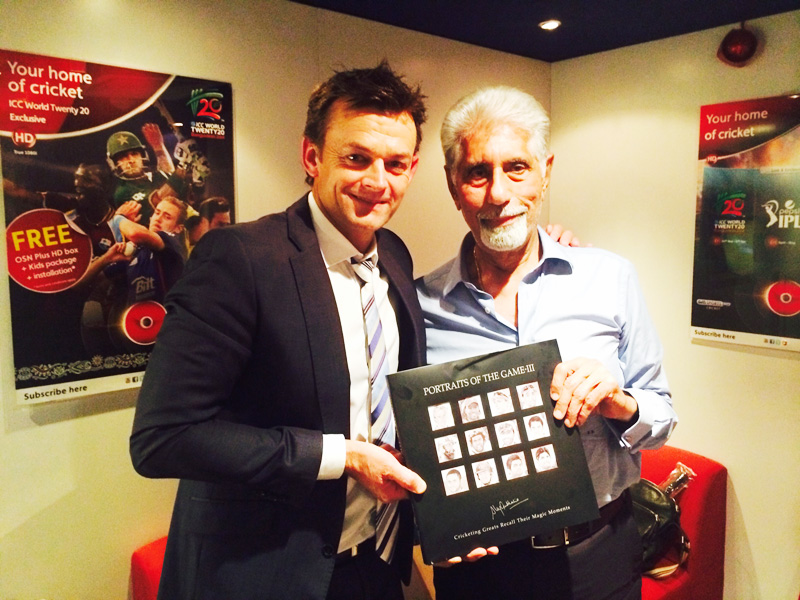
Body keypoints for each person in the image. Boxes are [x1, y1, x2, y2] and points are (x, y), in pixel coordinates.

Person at [130, 62, 429, 600]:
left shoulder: (395, 256)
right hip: (264, 574)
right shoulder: (239, 258)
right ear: (312, 157)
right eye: (356, 158)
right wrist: (341, 457)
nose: (377, 181)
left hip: (376, 564)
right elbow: (163, 439)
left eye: (395, 164)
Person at [417, 86, 678, 599]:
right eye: (477, 173)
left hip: (600, 552)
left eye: (516, 167)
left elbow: (663, 417)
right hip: (480, 569)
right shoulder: (419, 304)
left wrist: (618, 401)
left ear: (545, 172)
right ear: (453, 185)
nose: (498, 193)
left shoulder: (610, 277)